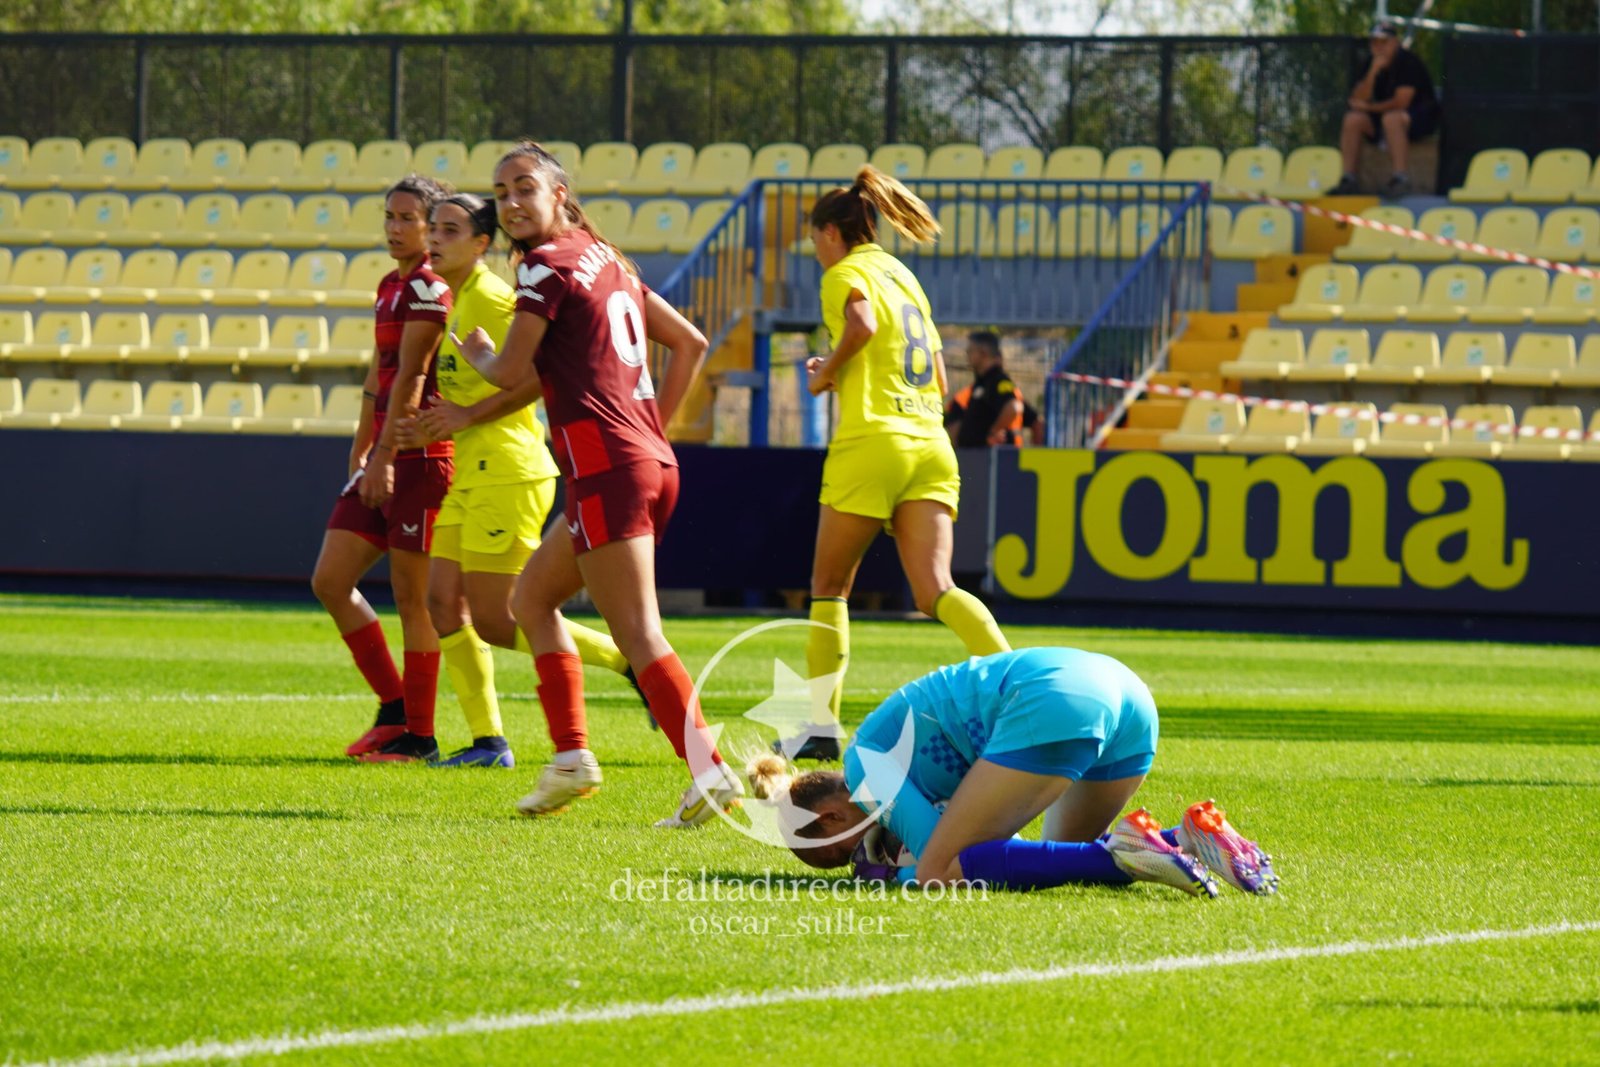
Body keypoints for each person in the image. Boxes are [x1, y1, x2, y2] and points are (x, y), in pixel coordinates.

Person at [455, 141, 743, 827]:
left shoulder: (546, 266)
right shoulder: (605, 256)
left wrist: (479, 354)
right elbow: (692, 343)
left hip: (606, 466)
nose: (511, 202)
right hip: (643, 462)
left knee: (639, 633)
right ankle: (570, 757)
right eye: (501, 192)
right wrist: (653, 431)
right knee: (531, 599)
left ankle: (710, 771)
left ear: (559, 194)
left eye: (525, 187)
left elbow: (509, 372)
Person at [395, 193, 637, 768]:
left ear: (482, 244)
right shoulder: (456, 298)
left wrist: (467, 416)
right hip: (472, 470)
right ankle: (488, 742)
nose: (434, 239)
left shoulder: (493, 298)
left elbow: (536, 375)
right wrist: (436, 424)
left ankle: (630, 662)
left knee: (498, 620)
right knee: (441, 604)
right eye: (434, 229)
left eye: (450, 231)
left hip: (509, 471)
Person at [789, 166, 1011, 762]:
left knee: (829, 586)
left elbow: (861, 325)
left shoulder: (844, 274)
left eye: (814, 240)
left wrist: (826, 373)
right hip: (930, 443)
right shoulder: (903, 276)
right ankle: (1015, 684)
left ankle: (820, 727)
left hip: (874, 443)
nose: (816, 253)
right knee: (936, 588)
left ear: (831, 233)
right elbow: (938, 375)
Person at [747, 647, 1279, 896]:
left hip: (1053, 701)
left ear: (832, 818)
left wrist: (891, 875)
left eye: (843, 853)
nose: (860, 857)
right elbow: (1001, 842)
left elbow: (936, 858)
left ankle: (1136, 854)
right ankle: (1186, 837)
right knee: (1060, 860)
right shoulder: (881, 754)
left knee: (939, 872)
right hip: (1126, 696)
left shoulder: (864, 768)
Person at [310, 174, 453, 763]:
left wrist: (387, 457)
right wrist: (361, 451)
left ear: (431, 227)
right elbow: (380, 376)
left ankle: (420, 737)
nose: (395, 228)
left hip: (421, 460)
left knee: (413, 600)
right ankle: (394, 709)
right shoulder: (389, 286)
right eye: (389, 217)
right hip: (384, 457)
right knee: (329, 580)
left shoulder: (431, 289)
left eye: (407, 219)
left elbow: (414, 380)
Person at [1333, 20, 1440, 198]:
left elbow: (1401, 103)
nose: (1379, 47)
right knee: (1353, 119)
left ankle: (1400, 178)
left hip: (1418, 120)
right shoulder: (1370, 63)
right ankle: (1349, 179)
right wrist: (1372, 72)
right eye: (1374, 42)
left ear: (1395, 42)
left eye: (1384, 41)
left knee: (1391, 119)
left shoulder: (1409, 62)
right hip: (1382, 119)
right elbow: (1357, 99)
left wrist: (1368, 107)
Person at [944, 329, 1035, 448]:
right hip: (976, 454)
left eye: (970, 351)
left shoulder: (998, 380)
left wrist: (994, 432)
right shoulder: (982, 383)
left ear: (983, 353)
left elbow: (1014, 406)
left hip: (991, 455)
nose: (967, 355)